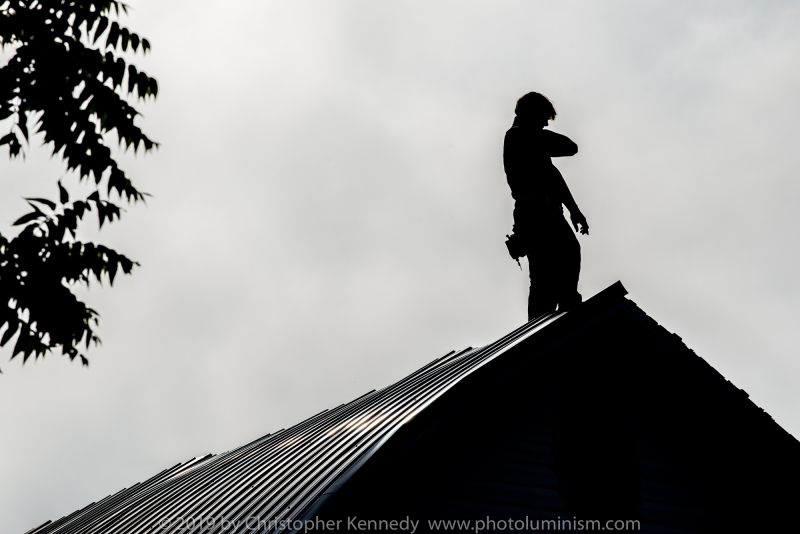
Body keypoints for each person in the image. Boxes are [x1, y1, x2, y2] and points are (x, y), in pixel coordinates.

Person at [503, 92, 589, 320]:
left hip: (547, 211)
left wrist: (574, 209)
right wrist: (538, 133)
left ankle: (561, 308)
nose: (545, 123)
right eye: (543, 118)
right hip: (535, 214)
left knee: (559, 262)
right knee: (546, 276)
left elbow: (553, 176)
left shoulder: (531, 141)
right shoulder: (519, 137)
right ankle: (544, 327)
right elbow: (570, 147)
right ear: (530, 114)